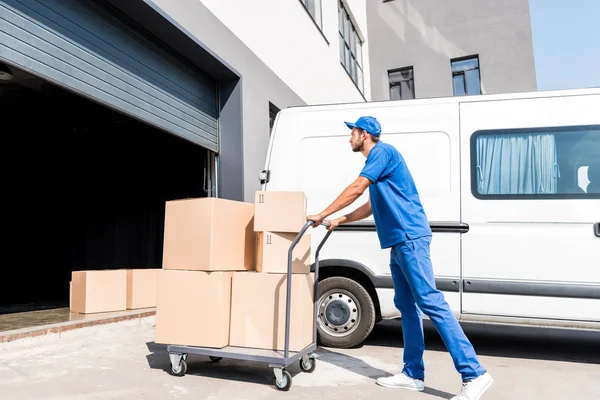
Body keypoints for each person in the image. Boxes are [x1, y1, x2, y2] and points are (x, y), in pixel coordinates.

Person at [307, 116, 493, 400]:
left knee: (430, 300)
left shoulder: (382, 153)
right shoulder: (379, 165)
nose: (349, 138)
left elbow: (357, 188)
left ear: (364, 134)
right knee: (406, 305)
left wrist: (322, 213)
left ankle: (474, 373)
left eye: (352, 132)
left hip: (410, 238)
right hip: (398, 242)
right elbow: (370, 204)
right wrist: (341, 219)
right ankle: (412, 374)